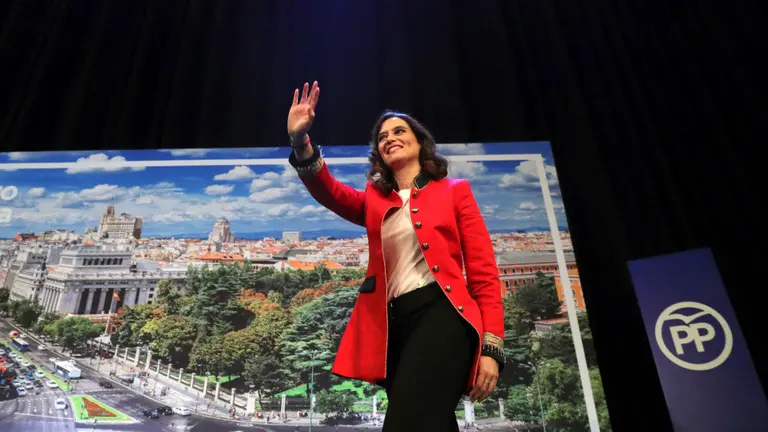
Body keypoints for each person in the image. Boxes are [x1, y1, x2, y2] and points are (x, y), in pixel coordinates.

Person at [286, 81, 505, 431]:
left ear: (420, 142)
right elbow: (330, 191)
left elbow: (483, 274)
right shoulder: (375, 200)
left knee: (405, 422)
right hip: (392, 327)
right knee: (431, 422)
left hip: (443, 315)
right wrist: (300, 141)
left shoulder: (455, 192)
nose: (389, 138)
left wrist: (492, 349)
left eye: (399, 131)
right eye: (382, 137)